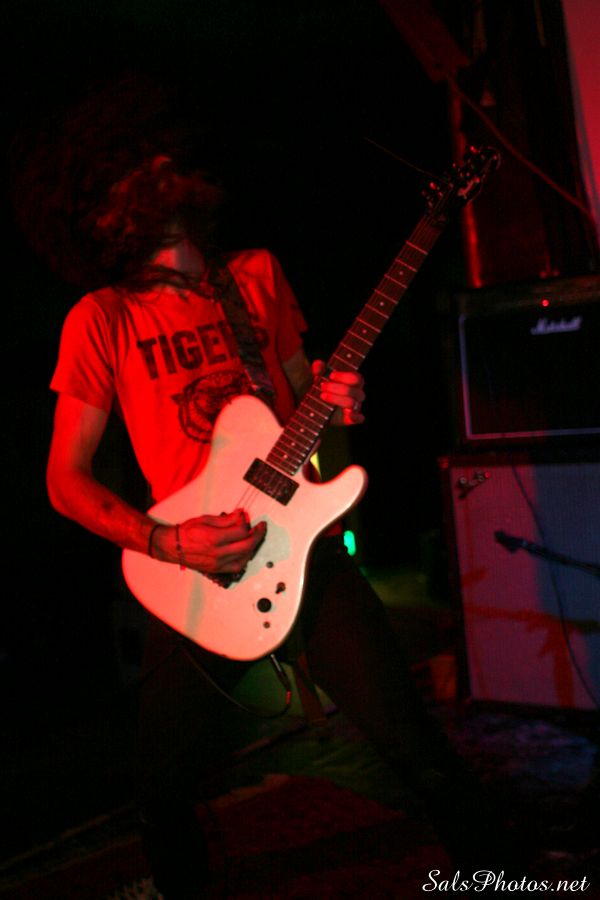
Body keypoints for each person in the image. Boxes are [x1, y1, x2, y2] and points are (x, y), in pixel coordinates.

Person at [14, 81, 521, 898]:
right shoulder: (101, 319)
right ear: (103, 206)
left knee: (416, 749)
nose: (159, 169)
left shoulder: (255, 276)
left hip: (303, 548)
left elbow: (307, 411)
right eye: (133, 169)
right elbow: (64, 480)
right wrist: (166, 539)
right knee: (160, 789)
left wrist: (340, 401)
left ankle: (501, 882)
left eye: (161, 158)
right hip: (193, 570)